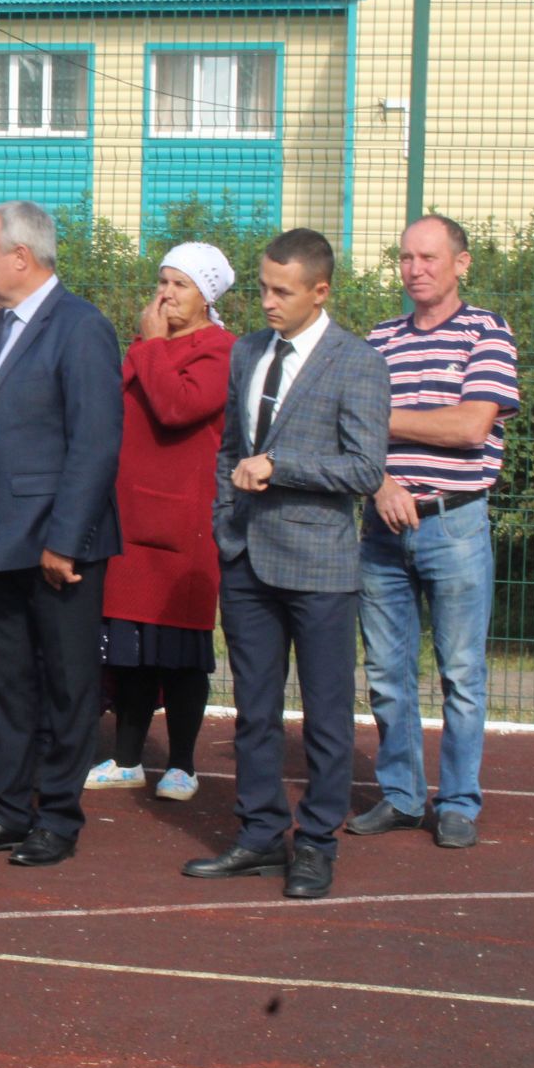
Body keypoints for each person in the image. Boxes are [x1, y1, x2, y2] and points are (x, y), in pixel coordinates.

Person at [182, 228, 389, 901]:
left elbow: (364, 468)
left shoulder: (356, 362)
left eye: (282, 291)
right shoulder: (246, 352)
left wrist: (279, 467)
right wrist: (223, 523)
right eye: (263, 287)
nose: (266, 301)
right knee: (254, 711)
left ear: (320, 291)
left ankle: (318, 842)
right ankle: (260, 836)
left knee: (326, 716)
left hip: (321, 565)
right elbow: (229, 449)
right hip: (246, 560)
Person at [0, 200, 124, 869]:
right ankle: (10, 809)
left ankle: (58, 816)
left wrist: (65, 540)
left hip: (56, 546)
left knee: (69, 683)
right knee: (4, 681)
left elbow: (96, 444)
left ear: (21, 257)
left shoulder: (80, 328)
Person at [351, 215, 518, 850]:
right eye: (405, 258)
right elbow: (351, 432)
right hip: (382, 526)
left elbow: (473, 427)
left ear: (461, 264)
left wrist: (385, 420)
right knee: (387, 674)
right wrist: (380, 482)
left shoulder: (487, 331)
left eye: (428, 257)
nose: (415, 268)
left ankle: (457, 802)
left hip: (455, 524)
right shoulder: (379, 338)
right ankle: (398, 796)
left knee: (461, 673)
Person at [83, 243, 237, 800]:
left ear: (207, 297)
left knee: (180, 646)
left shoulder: (221, 350)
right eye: (163, 281)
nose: (166, 294)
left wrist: (148, 346)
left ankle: (182, 763)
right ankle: (126, 757)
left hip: (183, 521)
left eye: (181, 285)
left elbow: (178, 406)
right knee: (129, 645)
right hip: (129, 515)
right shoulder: (148, 348)